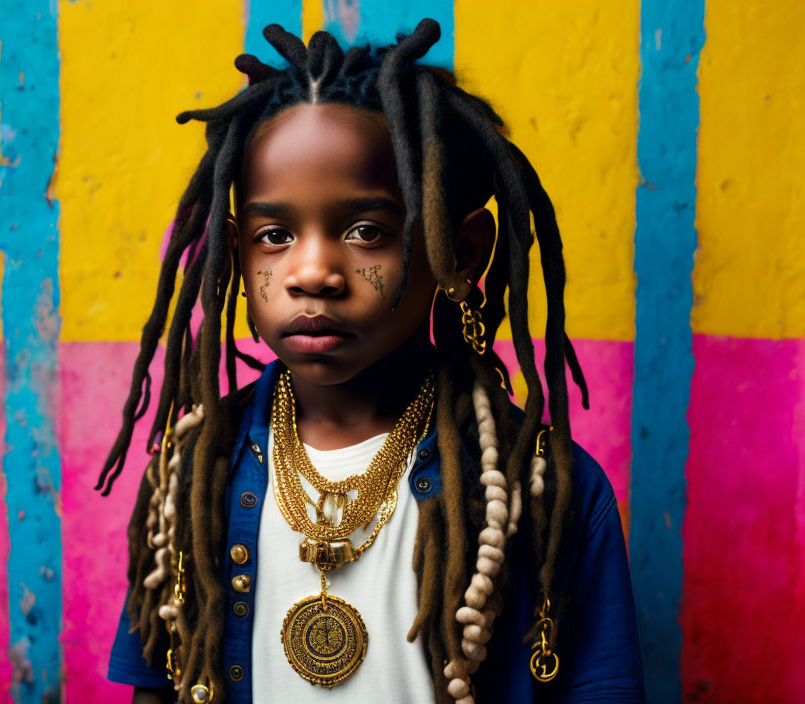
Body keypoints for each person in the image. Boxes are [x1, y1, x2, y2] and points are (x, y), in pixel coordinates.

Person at [97, 19, 645, 704]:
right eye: (275, 235)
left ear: (463, 250)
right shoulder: (194, 476)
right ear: (235, 253)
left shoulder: (541, 491)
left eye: (366, 232)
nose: (313, 271)